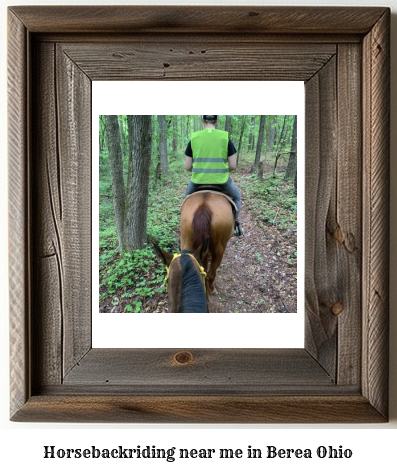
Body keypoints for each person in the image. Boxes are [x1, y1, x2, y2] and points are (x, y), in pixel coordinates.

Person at [184, 115, 243, 236]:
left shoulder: (194, 138)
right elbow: (233, 165)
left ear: (202, 120)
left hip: (197, 181)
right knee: (237, 197)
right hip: (221, 180)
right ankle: (234, 226)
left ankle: (184, 226)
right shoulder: (224, 137)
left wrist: (199, 170)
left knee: (186, 200)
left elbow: (187, 166)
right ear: (216, 120)